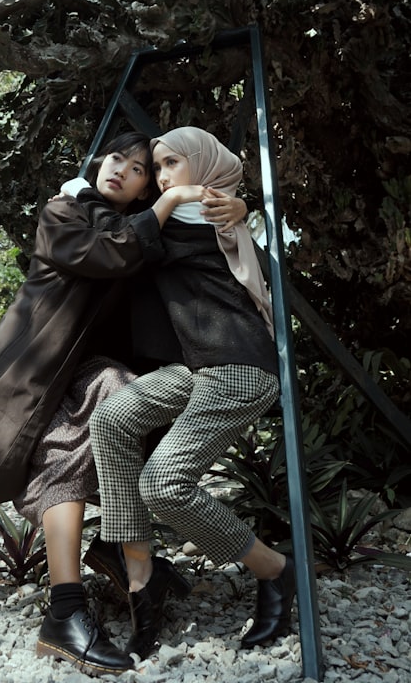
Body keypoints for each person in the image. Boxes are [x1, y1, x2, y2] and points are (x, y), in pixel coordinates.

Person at [0, 130, 245, 677]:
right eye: (117, 157)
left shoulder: (147, 232)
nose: (120, 169)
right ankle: (69, 607)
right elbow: (106, 254)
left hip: (92, 371)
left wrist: (236, 207)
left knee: (121, 398)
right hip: (35, 373)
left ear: (142, 189)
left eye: (138, 169)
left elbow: (200, 245)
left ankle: (113, 561)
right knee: (58, 450)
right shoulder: (66, 211)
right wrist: (166, 201)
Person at [89, 126, 296, 661]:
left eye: (171, 165)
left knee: (163, 484)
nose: (160, 178)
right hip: (194, 367)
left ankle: (275, 570)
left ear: (203, 166)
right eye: (155, 169)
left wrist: (197, 197)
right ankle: (142, 578)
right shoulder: (181, 209)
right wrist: (175, 194)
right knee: (112, 421)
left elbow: (135, 236)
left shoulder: (208, 212)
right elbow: (123, 236)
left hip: (239, 367)